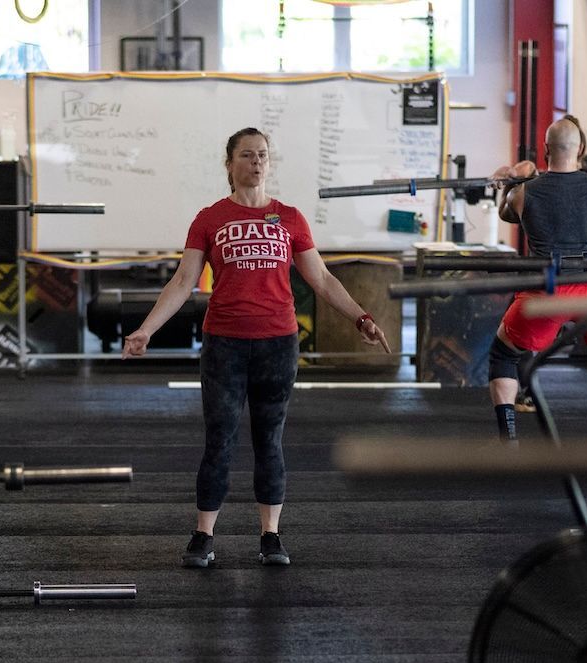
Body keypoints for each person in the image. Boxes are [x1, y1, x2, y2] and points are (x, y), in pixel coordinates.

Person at [122, 126, 388, 568]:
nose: (257, 162)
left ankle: (271, 536)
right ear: (230, 165)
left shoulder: (289, 218)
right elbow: (184, 281)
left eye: (263, 155)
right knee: (219, 441)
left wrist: (361, 317)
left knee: (270, 442)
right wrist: (146, 329)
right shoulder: (210, 218)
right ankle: (203, 536)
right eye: (247, 155)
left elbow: (321, 279)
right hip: (224, 344)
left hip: (277, 345)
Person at [487, 115, 587, 442]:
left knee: (504, 355)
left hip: (545, 291)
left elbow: (506, 212)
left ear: (544, 149)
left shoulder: (523, 194)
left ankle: (508, 436)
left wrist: (512, 179)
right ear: (580, 148)